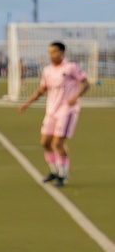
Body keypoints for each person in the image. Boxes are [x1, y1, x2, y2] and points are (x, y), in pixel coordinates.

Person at [18, 41, 90, 187]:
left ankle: (63, 174)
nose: (51, 55)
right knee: (45, 142)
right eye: (49, 52)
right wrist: (27, 103)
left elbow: (86, 83)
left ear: (62, 53)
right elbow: (41, 89)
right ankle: (54, 170)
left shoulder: (71, 67)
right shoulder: (47, 70)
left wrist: (76, 96)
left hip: (67, 111)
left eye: (54, 52)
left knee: (58, 143)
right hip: (51, 111)